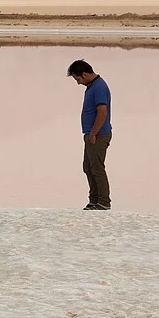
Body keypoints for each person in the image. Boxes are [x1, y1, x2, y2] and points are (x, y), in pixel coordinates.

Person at [67, 60, 112, 210]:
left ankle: (103, 202)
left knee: (97, 167)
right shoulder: (91, 86)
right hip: (91, 134)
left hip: (98, 134)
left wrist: (93, 133)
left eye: (78, 79)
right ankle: (94, 200)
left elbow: (102, 112)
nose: (78, 83)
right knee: (88, 167)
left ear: (85, 74)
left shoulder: (99, 86)